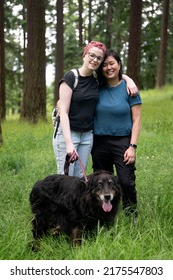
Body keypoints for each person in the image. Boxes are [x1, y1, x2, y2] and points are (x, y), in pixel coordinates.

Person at [53, 41, 138, 177]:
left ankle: (78, 200)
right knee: (66, 176)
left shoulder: (96, 79)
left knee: (81, 177)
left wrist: (129, 80)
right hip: (69, 134)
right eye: (91, 55)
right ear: (84, 55)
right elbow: (63, 111)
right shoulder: (71, 77)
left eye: (99, 58)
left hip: (87, 135)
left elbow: (115, 76)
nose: (94, 60)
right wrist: (69, 143)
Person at [91, 49, 142, 216]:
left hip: (123, 142)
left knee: (126, 182)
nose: (108, 68)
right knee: (101, 183)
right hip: (99, 143)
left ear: (119, 65)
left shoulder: (130, 90)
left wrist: (132, 146)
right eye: (104, 65)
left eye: (112, 63)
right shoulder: (97, 88)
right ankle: (104, 217)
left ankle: (131, 216)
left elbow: (137, 120)